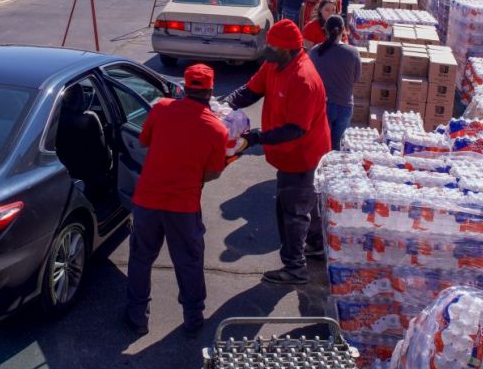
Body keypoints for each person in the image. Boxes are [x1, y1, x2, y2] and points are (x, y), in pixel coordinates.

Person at [222, 20, 331, 284]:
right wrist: (224, 105)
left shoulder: (303, 79)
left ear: (289, 49)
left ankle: (295, 268)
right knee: (306, 205)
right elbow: (250, 91)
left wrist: (256, 137)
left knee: (292, 211)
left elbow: (295, 130)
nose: (267, 49)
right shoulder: (274, 64)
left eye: (272, 46)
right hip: (287, 155)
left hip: (303, 155)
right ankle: (316, 246)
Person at [126, 64, 228, 337]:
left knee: (140, 257)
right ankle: (193, 319)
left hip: (147, 199)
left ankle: (137, 318)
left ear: (184, 88)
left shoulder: (160, 109)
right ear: (211, 91)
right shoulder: (217, 130)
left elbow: (143, 142)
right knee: (189, 261)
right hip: (183, 206)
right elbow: (214, 173)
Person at [308, 15, 361, 150]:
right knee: (337, 146)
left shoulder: (315, 52)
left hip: (321, 105)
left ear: (325, 30)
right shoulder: (353, 52)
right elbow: (356, 78)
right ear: (343, 30)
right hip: (345, 104)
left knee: (320, 145)